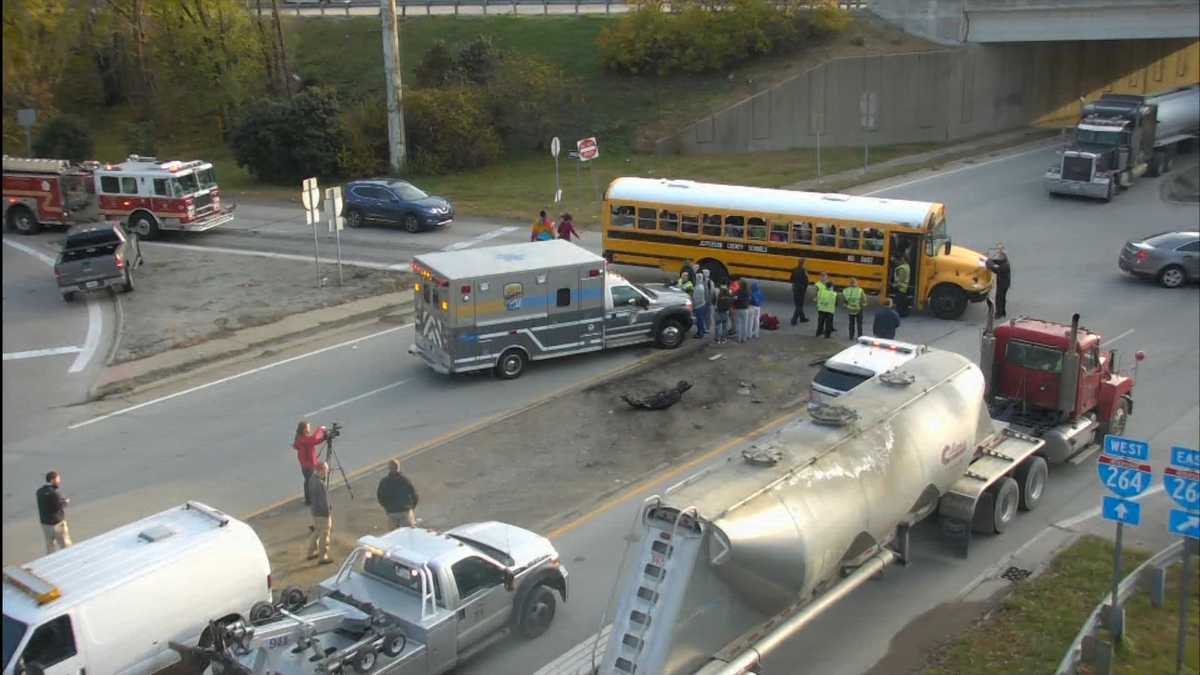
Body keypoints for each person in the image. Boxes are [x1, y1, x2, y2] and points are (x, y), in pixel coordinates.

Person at [37, 471, 72, 554]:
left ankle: (50, 562)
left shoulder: (39, 492)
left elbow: (48, 504)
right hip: (57, 524)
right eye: (58, 479)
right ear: (52, 480)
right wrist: (65, 502)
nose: (59, 481)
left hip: (45, 525)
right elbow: (58, 507)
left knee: (50, 546)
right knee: (65, 545)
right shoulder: (54, 493)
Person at [377, 460, 419, 529]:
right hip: (405, 511)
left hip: (392, 513)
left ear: (389, 468)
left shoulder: (384, 481)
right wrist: (411, 507)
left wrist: (387, 507)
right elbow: (414, 495)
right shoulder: (405, 480)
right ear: (398, 468)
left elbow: (380, 497)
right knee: (408, 533)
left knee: (394, 535)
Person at [294, 420, 327, 506]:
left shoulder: (303, 438)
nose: (309, 429)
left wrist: (324, 438)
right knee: (311, 481)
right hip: (308, 466)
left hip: (307, 465)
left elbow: (314, 442)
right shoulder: (302, 439)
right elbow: (313, 439)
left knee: (308, 481)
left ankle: (308, 499)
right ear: (303, 429)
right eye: (308, 427)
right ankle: (311, 500)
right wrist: (321, 429)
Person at [307, 463, 334, 564]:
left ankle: (311, 552)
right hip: (322, 514)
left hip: (314, 511)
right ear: (321, 470)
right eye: (326, 471)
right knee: (324, 534)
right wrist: (328, 514)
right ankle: (323, 557)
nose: (326, 473)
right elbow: (324, 502)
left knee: (317, 532)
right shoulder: (320, 484)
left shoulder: (311, 479)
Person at [987, 243, 1012, 318]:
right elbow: (997, 261)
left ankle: (999, 313)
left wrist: (989, 262)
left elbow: (995, 269)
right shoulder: (1005, 261)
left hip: (1003, 284)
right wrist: (991, 260)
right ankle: (1003, 312)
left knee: (999, 299)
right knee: (1002, 298)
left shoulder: (1004, 266)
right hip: (1005, 283)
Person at [815, 273, 837, 339]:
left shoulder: (821, 292)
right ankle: (827, 335)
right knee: (828, 323)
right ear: (831, 287)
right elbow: (835, 302)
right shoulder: (834, 293)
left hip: (821, 309)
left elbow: (818, 298)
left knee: (820, 322)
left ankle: (818, 333)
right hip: (830, 310)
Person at [691, 269, 710, 339]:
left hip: (698, 306)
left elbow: (696, 299)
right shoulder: (701, 286)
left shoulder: (698, 288)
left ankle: (700, 333)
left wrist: (693, 307)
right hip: (702, 305)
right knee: (701, 319)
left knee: (699, 320)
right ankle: (702, 330)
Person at [790, 259, 810, 325]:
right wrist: (805, 288)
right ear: (803, 264)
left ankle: (802, 318)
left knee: (797, 303)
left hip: (795, 288)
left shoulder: (794, 269)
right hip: (801, 289)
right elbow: (806, 281)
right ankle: (794, 320)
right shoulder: (804, 271)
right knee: (799, 305)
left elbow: (791, 278)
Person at [732, 276, 751, 343]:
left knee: (738, 324)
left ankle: (739, 338)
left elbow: (734, 298)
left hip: (738, 309)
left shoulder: (738, 291)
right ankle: (744, 338)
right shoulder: (748, 291)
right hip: (745, 309)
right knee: (744, 324)